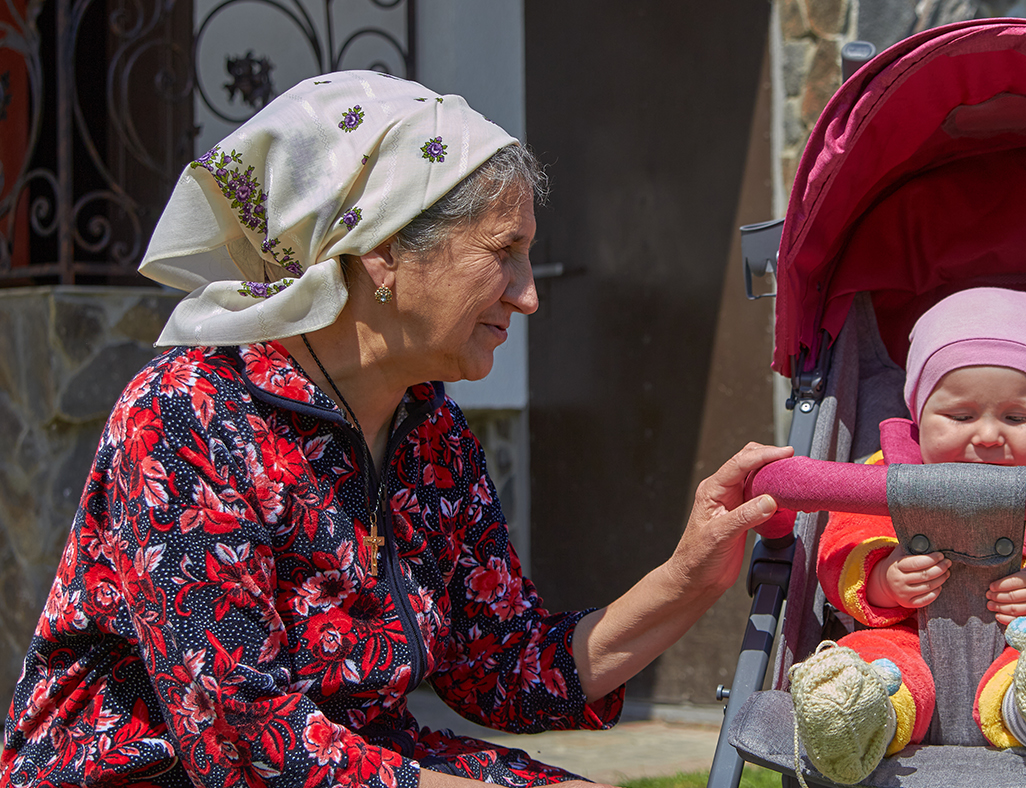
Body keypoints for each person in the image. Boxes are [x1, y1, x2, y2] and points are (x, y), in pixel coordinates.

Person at [0, 72, 791, 788]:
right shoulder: (187, 418)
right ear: (381, 253)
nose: (528, 297)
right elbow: (248, 744)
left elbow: (502, 665)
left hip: (358, 759)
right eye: (504, 253)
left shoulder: (430, 433)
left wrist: (691, 575)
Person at [789, 288, 1026, 784]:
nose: (987, 436)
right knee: (877, 660)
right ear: (918, 414)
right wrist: (883, 579)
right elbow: (841, 543)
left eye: (1017, 418)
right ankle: (862, 720)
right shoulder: (886, 475)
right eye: (960, 417)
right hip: (907, 637)